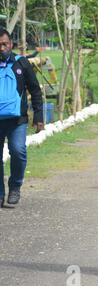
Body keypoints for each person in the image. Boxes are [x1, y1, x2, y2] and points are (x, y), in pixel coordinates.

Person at [0, 28, 44, 208]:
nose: (1, 48)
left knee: (18, 151)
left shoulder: (21, 63)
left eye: (4, 44)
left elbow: (35, 90)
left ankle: (15, 186)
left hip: (17, 120)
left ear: (11, 44)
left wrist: (39, 116)